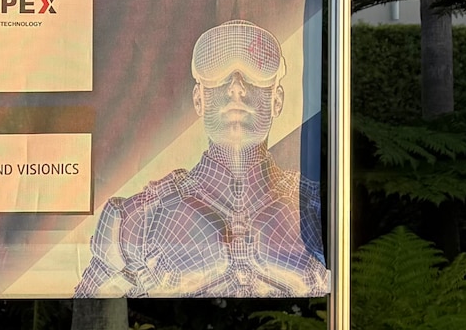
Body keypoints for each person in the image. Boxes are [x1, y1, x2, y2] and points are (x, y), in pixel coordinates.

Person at [77, 19, 329, 297]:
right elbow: (91, 307)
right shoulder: (136, 219)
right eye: (219, 77)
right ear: (199, 100)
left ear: (277, 100)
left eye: (253, 76)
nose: (236, 89)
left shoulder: (317, 209)